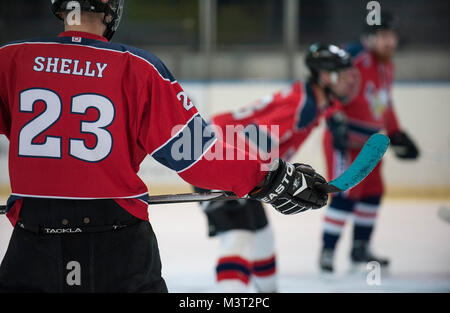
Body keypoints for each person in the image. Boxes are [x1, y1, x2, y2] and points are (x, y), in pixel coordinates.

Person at [0, 0, 329, 293]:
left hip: (33, 242)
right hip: (117, 243)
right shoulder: (138, 67)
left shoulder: (11, 59)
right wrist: (269, 177)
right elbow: (194, 152)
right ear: (110, 8)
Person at [194, 43, 355, 292]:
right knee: (239, 237)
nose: (349, 81)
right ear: (325, 77)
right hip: (218, 159)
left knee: (263, 238)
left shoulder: (312, 99)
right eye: (343, 75)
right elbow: (248, 142)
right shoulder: (302, 108)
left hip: (228, 155)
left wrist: (334, 119)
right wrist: (282, 180)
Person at [319, 12, 419, 273]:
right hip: (346, 142)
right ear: (369, 38)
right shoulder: (354, 58)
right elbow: (328, 87)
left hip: (371, 145)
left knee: (373, 192)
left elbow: (384, 102)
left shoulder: (387, 67)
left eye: (392, 36)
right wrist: (334, 119)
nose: (389, 42)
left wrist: (396, 133)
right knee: (346, 193)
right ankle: (327, 251)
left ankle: (360, 248)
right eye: (383, 36)